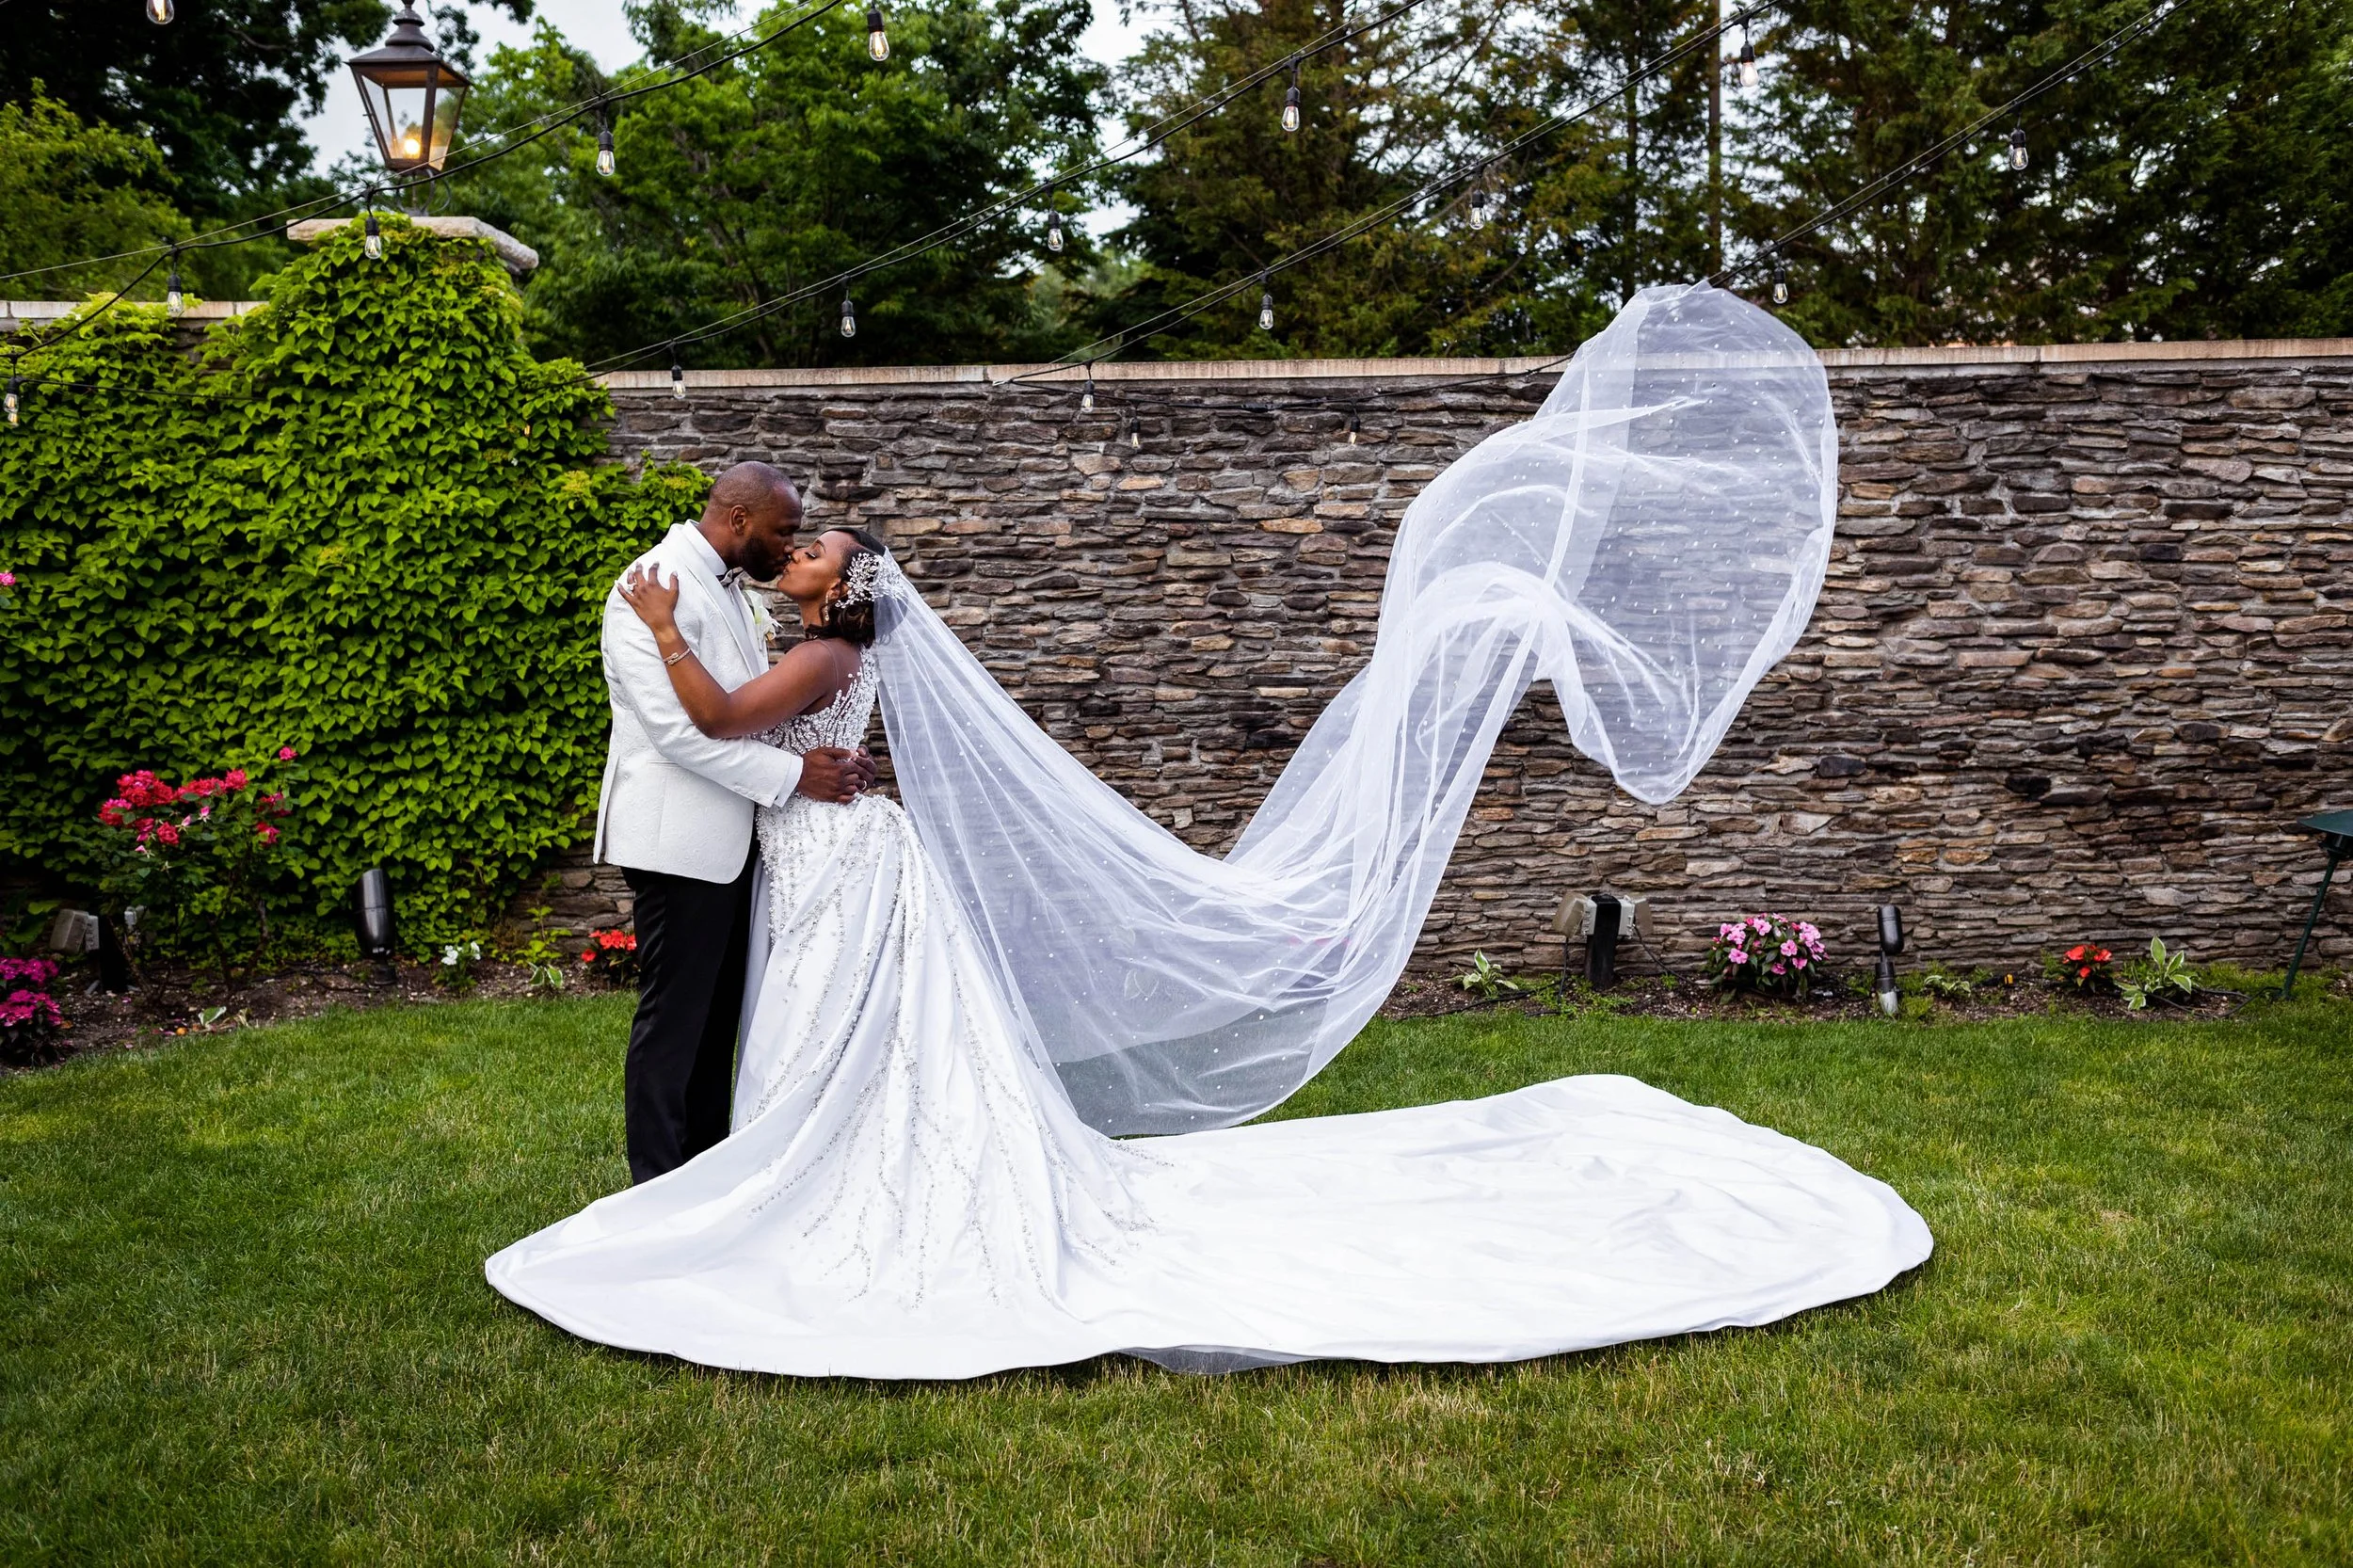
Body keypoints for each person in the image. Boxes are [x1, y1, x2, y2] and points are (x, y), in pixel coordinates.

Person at [491, 285, 1935, 1377]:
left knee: (829, 1027)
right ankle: (762, 1174)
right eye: (793, 535)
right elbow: (752, 732)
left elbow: (731, 721)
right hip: (808, 855)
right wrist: (730, 674)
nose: (798, 548)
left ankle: (791, 1195)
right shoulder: (787, 625)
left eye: (813, 546)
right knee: (803, 1029)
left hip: (836, 861)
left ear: (838, 585)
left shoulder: (804, 648)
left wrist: (669, 630)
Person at [593, 462, 874, 1184]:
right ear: (741, 521)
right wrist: (795, 774)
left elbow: (755, 712)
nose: (790, 545)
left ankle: (704, 1174)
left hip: (735, 835)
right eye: (784, 531)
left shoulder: (733, 587)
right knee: (675, 1023)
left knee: (718, 1026)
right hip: (678, 837)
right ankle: (655, 1184)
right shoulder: (649, 587)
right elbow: (678, 734)